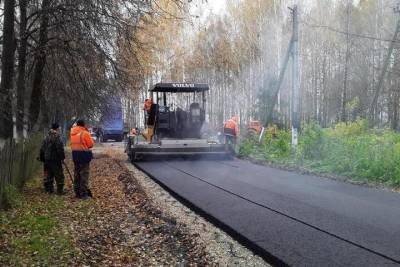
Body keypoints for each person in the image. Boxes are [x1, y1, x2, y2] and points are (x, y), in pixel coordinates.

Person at [39, 123, 66, 194]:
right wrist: (62, 158)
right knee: (59, 175)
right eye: (59, 128)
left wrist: (42, 158)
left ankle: (49, 190)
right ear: (57, 128)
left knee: (48, 174)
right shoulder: (57, 137)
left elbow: (42, 148)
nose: (60, 130)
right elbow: (60, 148)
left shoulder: (46, 136)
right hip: (55, 159)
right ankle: (60, 191)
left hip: (47, 159)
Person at [70, 119, 94, 199]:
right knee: (84, 174)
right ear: (83, 124)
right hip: (83, 156)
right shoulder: (85, 133)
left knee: (77, 174)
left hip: (75, 155)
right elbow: (90, 145)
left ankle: (77, 193)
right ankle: (83, 194)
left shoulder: (72, 133)